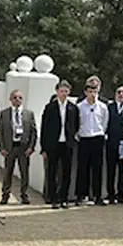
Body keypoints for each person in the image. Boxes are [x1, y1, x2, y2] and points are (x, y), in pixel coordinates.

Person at [40, 80, 79, 209]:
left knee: (66, 172)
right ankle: (53, 198)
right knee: (52, 172)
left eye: (66, 91)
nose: (64, 93)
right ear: (57, 91)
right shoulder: (50, 107)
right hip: (53, 144)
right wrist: (43, 148)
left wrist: (71, 138)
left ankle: (64, 198)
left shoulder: (73, 108)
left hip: (67, 144)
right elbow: (44, 128)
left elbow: (76, 125)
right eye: (61, 91)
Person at [0, 89, 37, 205]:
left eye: (20, 97)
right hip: (10, 147)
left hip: (23, 148)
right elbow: (0, 132)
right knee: (7, 172)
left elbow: (33, 132)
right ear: (10, 99)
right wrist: (2, 148)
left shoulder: (29, 114)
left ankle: (24, 195)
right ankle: (5, 195)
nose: (17, 100)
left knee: (24, 172)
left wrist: (31, 147)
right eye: (15, 97)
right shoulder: (4, 113)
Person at [75, 79, 109, 206]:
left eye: (94, 92)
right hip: (84, 138)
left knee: (97, 168)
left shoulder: (103, 107)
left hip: (97, 138)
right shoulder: (80, 107)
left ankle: (97, 195)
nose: (92, 94)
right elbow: (77, 123)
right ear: (85, 92)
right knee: (82, 168)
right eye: (90, 92)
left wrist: (100, 133)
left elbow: (105, 123)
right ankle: (81, 195)